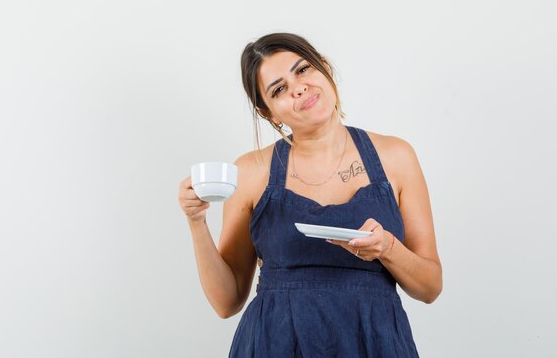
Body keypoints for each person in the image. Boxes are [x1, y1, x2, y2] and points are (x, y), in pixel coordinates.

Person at [178, 32, 442, 357]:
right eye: (278, 89)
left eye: (302, 70)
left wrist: (387, 249)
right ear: (269, 113)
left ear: (325, 68)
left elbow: (430, 287)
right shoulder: (250, 172)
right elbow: (226, 302)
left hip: (374, 343)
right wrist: (196, 221)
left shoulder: (396, 156)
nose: (298, 87)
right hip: (273, 345)